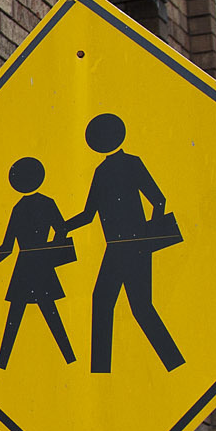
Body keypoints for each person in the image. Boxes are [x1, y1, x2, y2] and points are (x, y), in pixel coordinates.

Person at [63, 111, 184, 375]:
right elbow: (88, 214)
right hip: (116, 248)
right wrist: (62, 227)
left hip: (134, 246)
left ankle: (174, 363)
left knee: (139, 307)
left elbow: (158, 199)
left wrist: (148, 237)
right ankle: (101, 372)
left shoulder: (131, 164)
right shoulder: (102, 170)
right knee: (104, 302)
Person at [0, 156, 76, 369]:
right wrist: (52, 252)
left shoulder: (19, 207)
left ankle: (3, 363)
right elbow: (61, 230)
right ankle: (69, 358)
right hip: (39, 264)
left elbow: (7, 247)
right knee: (47, 314)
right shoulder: (46, 203)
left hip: (25, 266)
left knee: (19, 316)